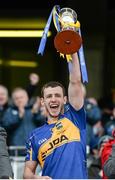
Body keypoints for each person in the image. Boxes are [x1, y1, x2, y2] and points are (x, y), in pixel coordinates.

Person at [23, 53, 87, 179]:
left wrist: (72, 51)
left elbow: (75, 81)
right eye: (49, 96)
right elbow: (27, 173)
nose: (53, 99)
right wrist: (38, 178)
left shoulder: (75, 118)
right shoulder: (34, 135)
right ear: (42, 101)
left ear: (64, 100)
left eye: (57, 95)